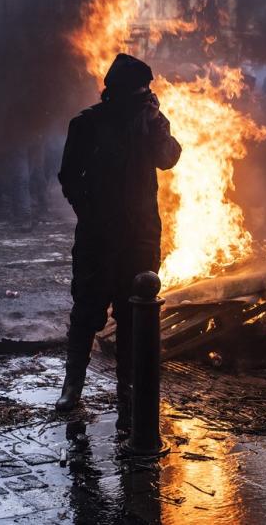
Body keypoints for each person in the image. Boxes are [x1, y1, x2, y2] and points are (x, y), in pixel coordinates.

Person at [55, 53, 182, 436]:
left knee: (133, 315)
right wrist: (88, 210)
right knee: (86, 309)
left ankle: (128, 391)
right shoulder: (87, 124)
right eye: (140, 91)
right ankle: (72, 385)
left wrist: (156, 123)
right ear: (119, 92)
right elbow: (68, 175)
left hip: (140, 234)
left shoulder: (150, 122)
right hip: (98, 233)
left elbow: (169, 159)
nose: (147, 97)